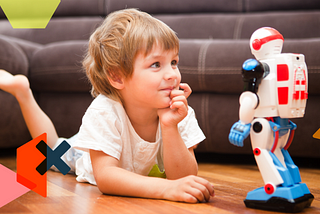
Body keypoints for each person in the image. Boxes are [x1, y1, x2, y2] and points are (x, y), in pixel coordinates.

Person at [0, 8, 214, 203]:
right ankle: (23, 92)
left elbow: (184, 178)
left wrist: (170, 127)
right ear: (117, 77)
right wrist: (166, 189)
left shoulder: (179, 112)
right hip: (81, 154)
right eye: (156, 64)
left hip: (112, 144)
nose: (172, 75)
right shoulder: (104, 110)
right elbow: (107, 178)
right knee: (51, 150)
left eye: (174, 62)